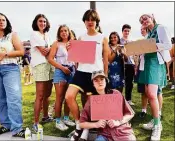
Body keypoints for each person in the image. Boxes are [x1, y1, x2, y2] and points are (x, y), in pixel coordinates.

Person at [65, 9, 109, 140]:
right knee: (69, 97)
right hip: (81, 72)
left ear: (97, 22)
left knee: (90, 103)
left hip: (96, 74)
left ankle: (85, 130)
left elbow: (105, 59)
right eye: (87, 19)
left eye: (93, 20)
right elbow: (77, 58)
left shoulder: (102, 38)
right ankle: (79, 124)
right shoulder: (81, 37)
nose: (90, 22)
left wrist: (104, 77)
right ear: (84, 22)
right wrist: (70, 50)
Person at [0, 12, 25, 138]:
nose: (1, 22)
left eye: (4, 20)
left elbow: (21, 51)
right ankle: (6, 125)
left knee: (14, 98)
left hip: (10, 68)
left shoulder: (12, 35)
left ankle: (17, 128)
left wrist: (4, 54)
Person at [138, 13, 172, 141]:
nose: (144, 20)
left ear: (152, 18)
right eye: (141, 20)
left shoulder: (160, 28)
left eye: (145, 18)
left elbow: (168, 45)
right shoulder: (148, 34)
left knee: (152, 94)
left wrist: (154, 46)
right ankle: (154, 119)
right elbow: (144, 50)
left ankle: (158, 126)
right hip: (147, 64)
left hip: (156, 64)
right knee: (149, 93)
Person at [79, 71, 136, 141]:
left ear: (106, 81)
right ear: (93, 84)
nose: (99, 82)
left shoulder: (116, 94)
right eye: (96, 80)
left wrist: (118, 122)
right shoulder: (91, 101)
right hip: (105, 135)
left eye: (102, 79)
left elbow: (130, 113)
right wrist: (96, 124)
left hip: (122, 132)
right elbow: (81, 123)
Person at [48, 25, 76, 131]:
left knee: (69, 97)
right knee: (60, 98)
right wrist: (62, 68)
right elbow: (50, 59)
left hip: (72, 70)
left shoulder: (73, 44)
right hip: (60, 71)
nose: (64, 33)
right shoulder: (56, 44)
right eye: (61, 31)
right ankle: (58, 121)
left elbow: (76, 59)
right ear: (59, 33)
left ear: (69, 32)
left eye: (66, 31)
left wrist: (76, 71)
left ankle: (66, 118)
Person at [30, 14, 54, 132]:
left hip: (49, 65)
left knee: (47, 94)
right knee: (39, 95)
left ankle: (45, 117)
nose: (42, 23)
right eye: (40, 21)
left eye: (44, 21)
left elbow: (51, 49)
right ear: (36, 22)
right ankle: (35, 122)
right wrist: (50, 49)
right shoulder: (34, 34)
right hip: (40, 66)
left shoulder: (48, 35)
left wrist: (50, 49)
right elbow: (44, 51)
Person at [120, 24, 135, 106]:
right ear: (122, 31)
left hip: (131, 64)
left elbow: (135, 54)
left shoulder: (132, 42)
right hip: (122, 64)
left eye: (128, 31)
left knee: (130, 83)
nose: (127, 32)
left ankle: (128, 99)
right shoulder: (119, 41)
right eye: (125, 30)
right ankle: (119, 99)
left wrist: (136, 64)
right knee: (121, 82)